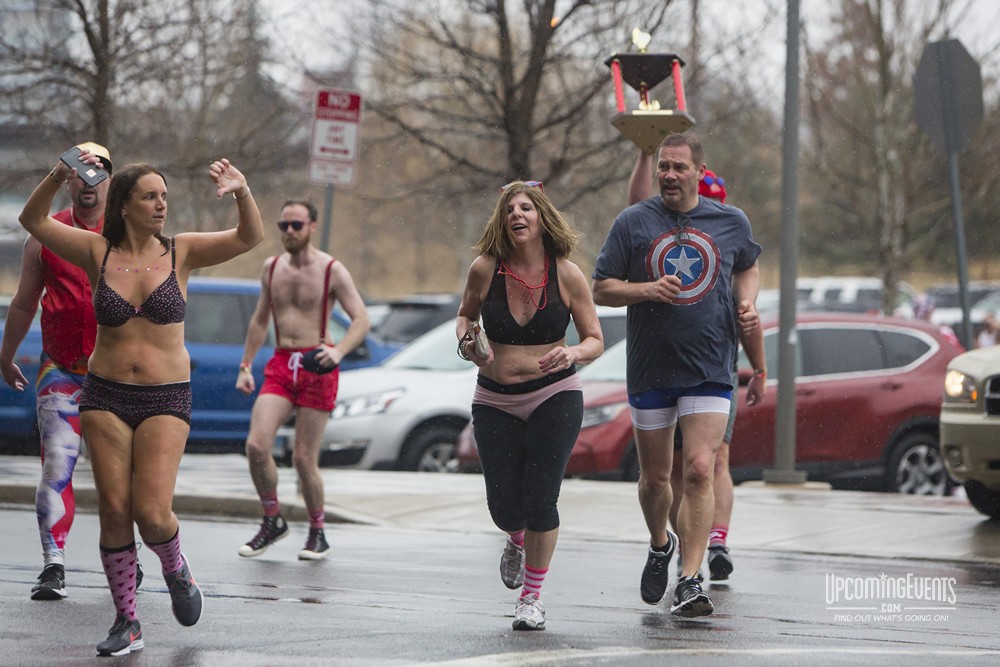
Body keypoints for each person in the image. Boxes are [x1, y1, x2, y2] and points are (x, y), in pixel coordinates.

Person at [18, 148, 263, 656]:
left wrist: (241, 191)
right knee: (113, 508)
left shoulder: (181, 251)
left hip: (165, 397)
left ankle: (175, 566)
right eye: (150, 197)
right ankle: (127, 620)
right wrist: (59, 173)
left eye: (164, 197)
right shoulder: (95, 251)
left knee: (151, 514)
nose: (161, 205)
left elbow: (248, 237)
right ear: (125, 204)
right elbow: (33, 220)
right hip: (104, 394)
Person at [593, 134, 763, 617]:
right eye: (663, 166)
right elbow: (601, 288)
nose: (669, 174)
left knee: (700, 468)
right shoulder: (633, 222)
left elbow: (748, 265)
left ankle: (690, 578)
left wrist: (747, 301)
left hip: (710, 365)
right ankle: (659, 543)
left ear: (699, 172)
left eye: (679, 167)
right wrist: (647, 289)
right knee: (655, 479)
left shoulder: (730, 221)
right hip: (652, 368)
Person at [0, 143, 148, 601]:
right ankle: (53, 564)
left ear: (111, 181)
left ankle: (130, 557)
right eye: (78, 173)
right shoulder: (48, 234)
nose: (87, 182)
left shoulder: (129, 235)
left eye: (97, 173)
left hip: (117, 376)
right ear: (67, 179)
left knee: (120, 476)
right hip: (62, 369)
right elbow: (23, 303)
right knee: (57, 464)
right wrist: (6, 355)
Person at [456, 180, 604, 631]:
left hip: (554, 395)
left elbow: (595, 339)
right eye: (509, 210)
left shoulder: (567, 275)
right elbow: (465, 315)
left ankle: (532, 598)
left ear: (542, 217)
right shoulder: (485, 269)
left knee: (542, 499)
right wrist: (468, 342)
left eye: (525, 208)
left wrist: (573, 353)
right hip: (494, 400)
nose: (516, 216)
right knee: (504, 507)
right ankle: (515, 538)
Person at [236, 199, 370, 561]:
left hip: (317, 364)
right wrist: (245, 365)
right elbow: (260, 319)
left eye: (296, 225)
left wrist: (339, 351)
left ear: (312, 226)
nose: (290, 232)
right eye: (284, 226)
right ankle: (272, 519)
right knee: (256, 445)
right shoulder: (271, 267)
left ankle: (317, 531)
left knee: (302, 458)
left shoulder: (331, 269)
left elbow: (361, 319)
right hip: (282, 363)